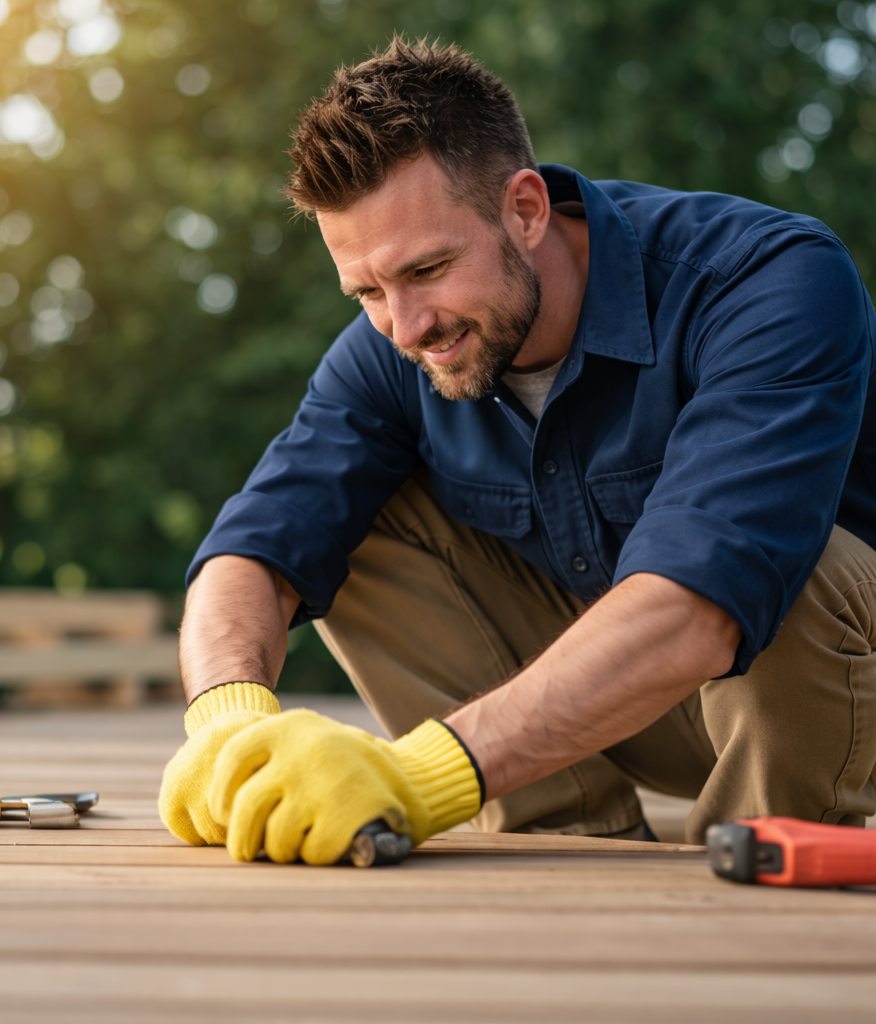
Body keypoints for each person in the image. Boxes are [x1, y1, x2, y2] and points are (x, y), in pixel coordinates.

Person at [158, 37, 876, 864]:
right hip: (616, 716)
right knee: (339, 524)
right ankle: (567, 842)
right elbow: (253, 546)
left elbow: (701, 603)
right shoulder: (394, 345)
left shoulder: (765, 280)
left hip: (831, 706)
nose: (406, 325)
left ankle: (760, 863)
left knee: (796, 568)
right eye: (367, 292)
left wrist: (419, 775)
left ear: (526, 210)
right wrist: (228, 723)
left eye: (428, 268)